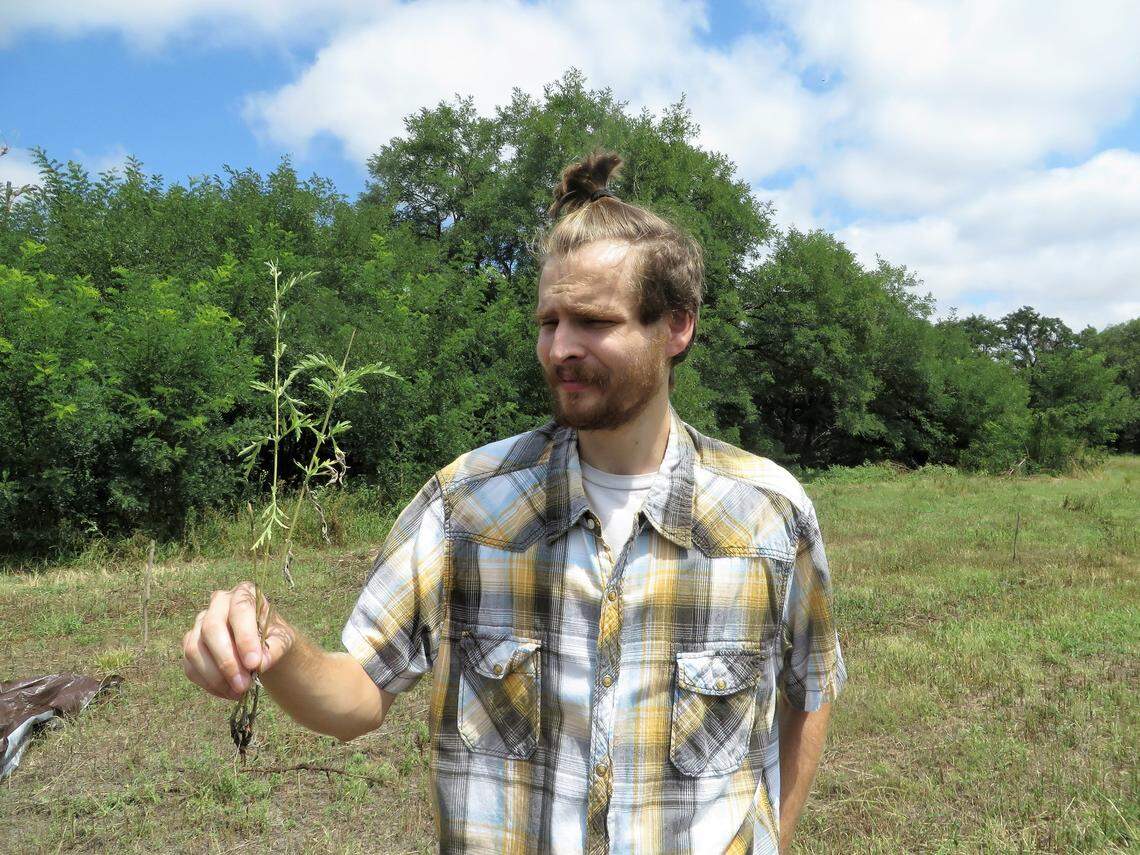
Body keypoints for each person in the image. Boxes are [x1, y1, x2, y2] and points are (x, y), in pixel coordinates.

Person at [182, 151, 847, 854]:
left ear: (676, 326)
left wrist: (777, 832)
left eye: (592, 320)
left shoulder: (770, 516)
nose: (559, 347)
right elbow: (355, 697)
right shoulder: (465, 506)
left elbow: (809, 687)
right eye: (548, 320)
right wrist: (279, 648)